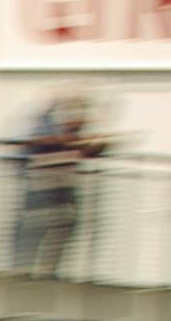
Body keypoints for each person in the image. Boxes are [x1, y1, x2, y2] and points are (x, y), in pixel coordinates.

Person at [14, 92, 110, 279]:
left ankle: (48, 269)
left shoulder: (73, 138)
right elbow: (35, 144)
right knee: (38, 228)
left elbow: (89, 151)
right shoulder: (48, 132)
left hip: (63, 191)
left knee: (64, 227)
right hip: (43, 190)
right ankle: (24, 268)